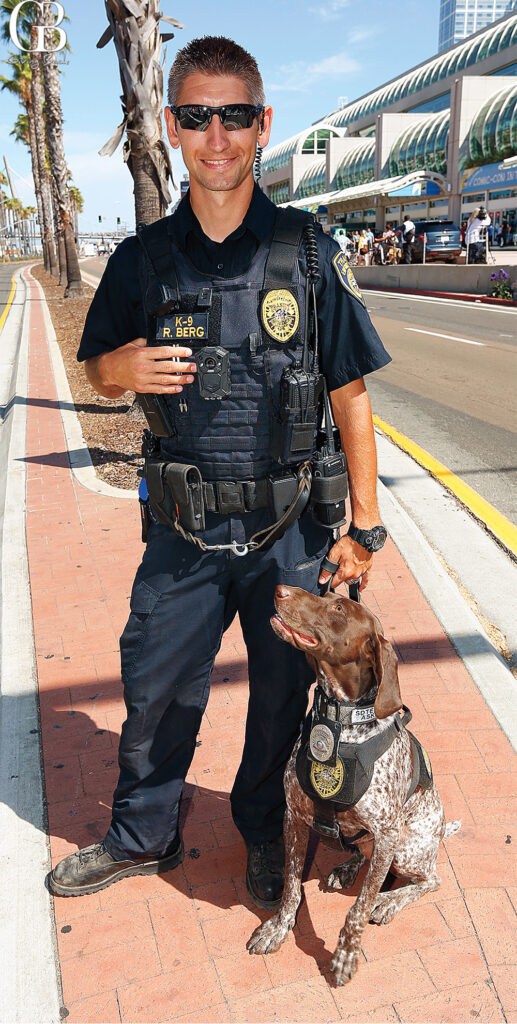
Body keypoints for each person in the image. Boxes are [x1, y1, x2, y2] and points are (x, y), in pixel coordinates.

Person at [49, 36, 391, 906]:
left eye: (234, 115)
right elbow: (97, 366)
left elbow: (350, 397)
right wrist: (114, 372)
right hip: (183, 532)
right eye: (197, 116)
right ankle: (142, 835)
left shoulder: (309, 251)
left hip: (291, 537)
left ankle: (265, 832)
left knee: (280, 704)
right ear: (171, 127)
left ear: (260, 124)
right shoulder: (138, 263)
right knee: (155, 690)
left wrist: (363, 526)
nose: (217, 135)